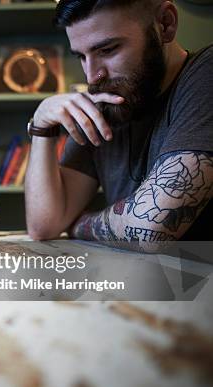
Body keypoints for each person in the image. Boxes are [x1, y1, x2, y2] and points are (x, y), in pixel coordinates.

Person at [25, 0, 212, 252]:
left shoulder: (205, 74)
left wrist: (79, 225)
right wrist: (41, 126)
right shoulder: (108, 104)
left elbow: (150, 228)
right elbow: (43, 226)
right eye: (81, 56)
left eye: (108, 50)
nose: (92, 77)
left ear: (166, 24)